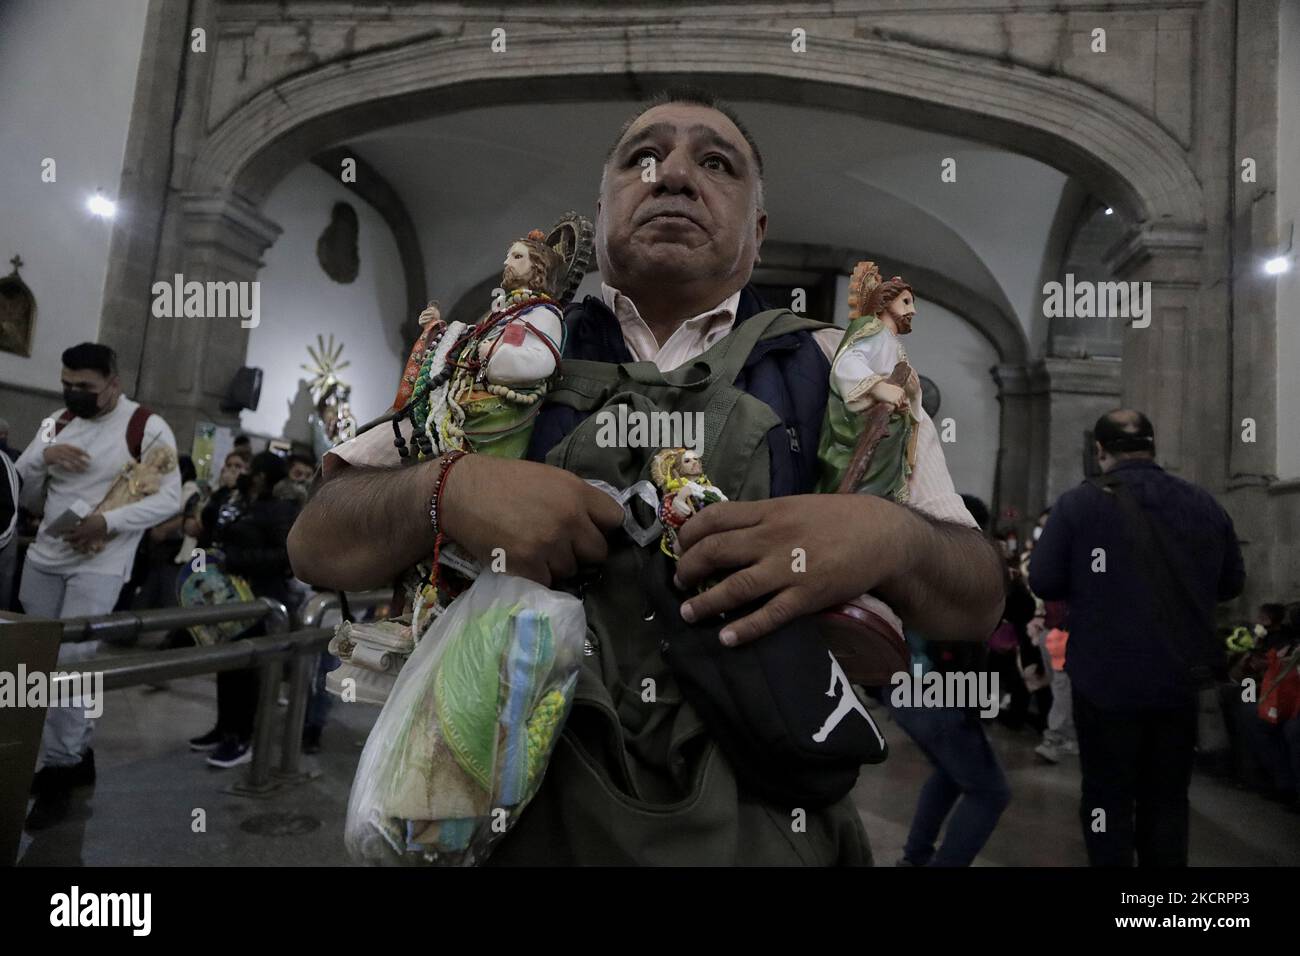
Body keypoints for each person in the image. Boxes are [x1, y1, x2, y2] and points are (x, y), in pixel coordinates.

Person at [288, 88, 1005, 865]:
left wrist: (890, 536)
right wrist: (447, 489)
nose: (672, 175)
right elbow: (317, 543)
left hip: (761, 830)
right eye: (642, 158)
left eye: (717, 163)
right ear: (598, 220)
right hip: (497, 821)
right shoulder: (485, 356)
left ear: (757, 233)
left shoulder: (851, 371)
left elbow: (976, 598)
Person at [1030, 409, 1245, 866]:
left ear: (1100, 451)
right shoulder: (1202, 503)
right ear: (1152, 446)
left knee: (1107, 796)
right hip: (1178, 678)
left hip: (1106, 679)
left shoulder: (1078, 504)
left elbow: (1045, 580)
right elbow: (1229, 584)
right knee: (1167, 798)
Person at [14, 342, 181, 829]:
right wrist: (43, 457)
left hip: (99, 561)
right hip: (45, 556)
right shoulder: (57, 422)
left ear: (114, 382)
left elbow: (168, 499)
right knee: (35, 662)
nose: (73, 393)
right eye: (67, 384)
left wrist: (107, 525)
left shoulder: (146, 427)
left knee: (72, 667)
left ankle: (59, 770)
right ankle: (74, 756)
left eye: (85, 387)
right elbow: (19, 488)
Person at [887, 494, 1011, 867]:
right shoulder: (956, 575)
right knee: (990, 793)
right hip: (938, 696)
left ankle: (915, 858)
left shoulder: (915, 563)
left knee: (951, 773)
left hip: (909, 694)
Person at [188, 451, 301, 767]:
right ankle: (223, 729)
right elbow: (212, 525)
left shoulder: (279, 509)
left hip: (259, 597)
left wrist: (236, 561)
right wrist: (222, 493)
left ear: (264, 475)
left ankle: (242, 737)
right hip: (229, 595)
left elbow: (284, 556)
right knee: (227, 665)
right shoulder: (239, 500)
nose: (245, 472)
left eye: (251, 468)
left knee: (247, 670)